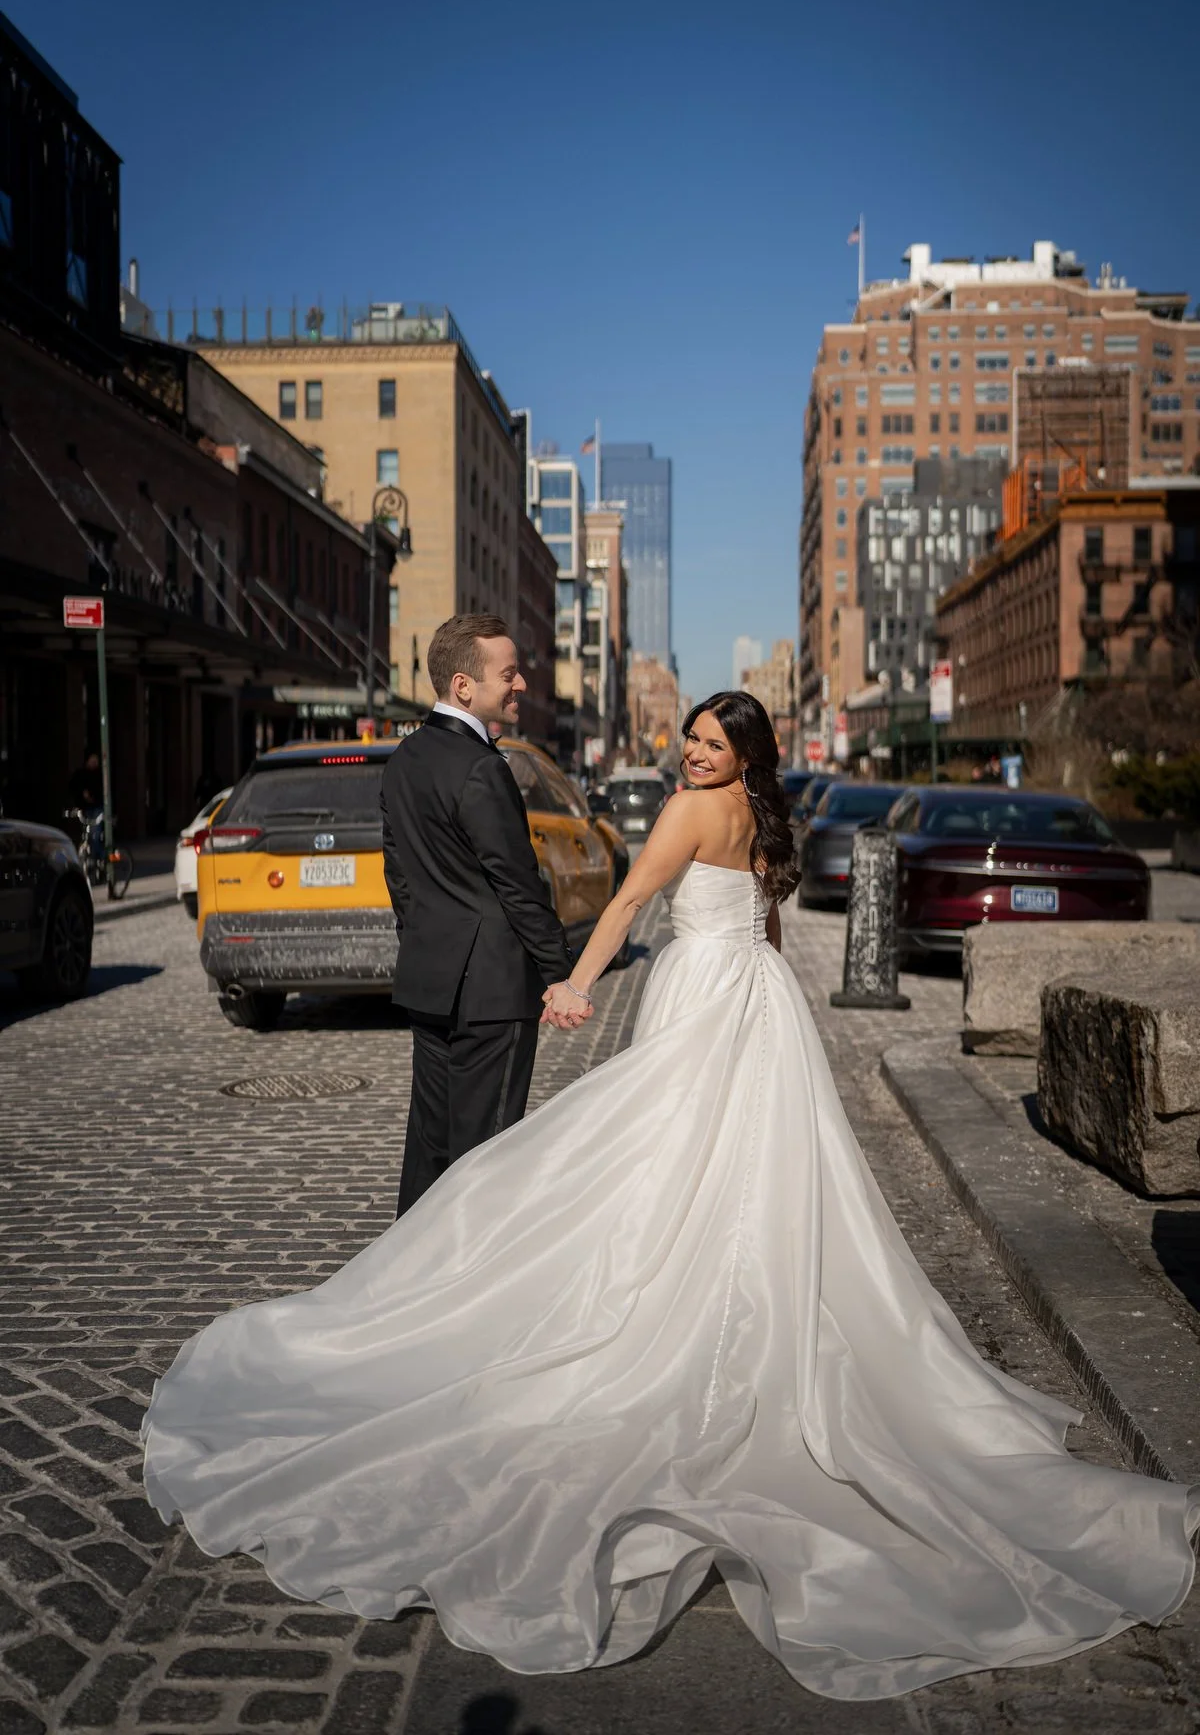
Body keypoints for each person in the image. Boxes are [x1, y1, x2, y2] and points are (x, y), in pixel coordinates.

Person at [140, 690, 1197, 1702]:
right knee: (757, 1166)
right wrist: (759, 988)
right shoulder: (764, 817)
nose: (693, 753)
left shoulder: (694, 811)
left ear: (743, 756)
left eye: (710, 743)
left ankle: (657, 1306)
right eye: (690, 738)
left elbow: (630, 900)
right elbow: (765, 927)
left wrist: (575, 983)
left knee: (663, 1153)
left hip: (702, 994)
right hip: (758, 1000)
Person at [379, 615, 590, 1218]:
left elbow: (399, 879)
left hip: (431, 983)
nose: (520, 684)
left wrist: (425, 946)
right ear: (464, 686)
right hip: (493, 994)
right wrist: (562, 976)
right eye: (509, 674)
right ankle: (471, 1273)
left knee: (430, 1155)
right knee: (487, 1161)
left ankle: (411, 1266)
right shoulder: (482, 767)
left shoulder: (404, 759)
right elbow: (519, 885)